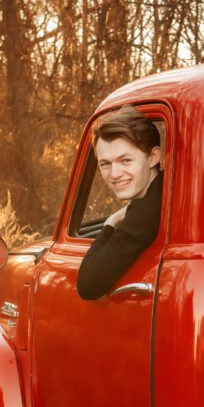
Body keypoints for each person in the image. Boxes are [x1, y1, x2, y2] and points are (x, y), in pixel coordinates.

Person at [76, 106, 163, 300]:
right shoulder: (164, 190)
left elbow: (87, 285)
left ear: (153, 157)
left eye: (125, 160)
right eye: (105, 164)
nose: (114, 174)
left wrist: (110, 223)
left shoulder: (147, 212)